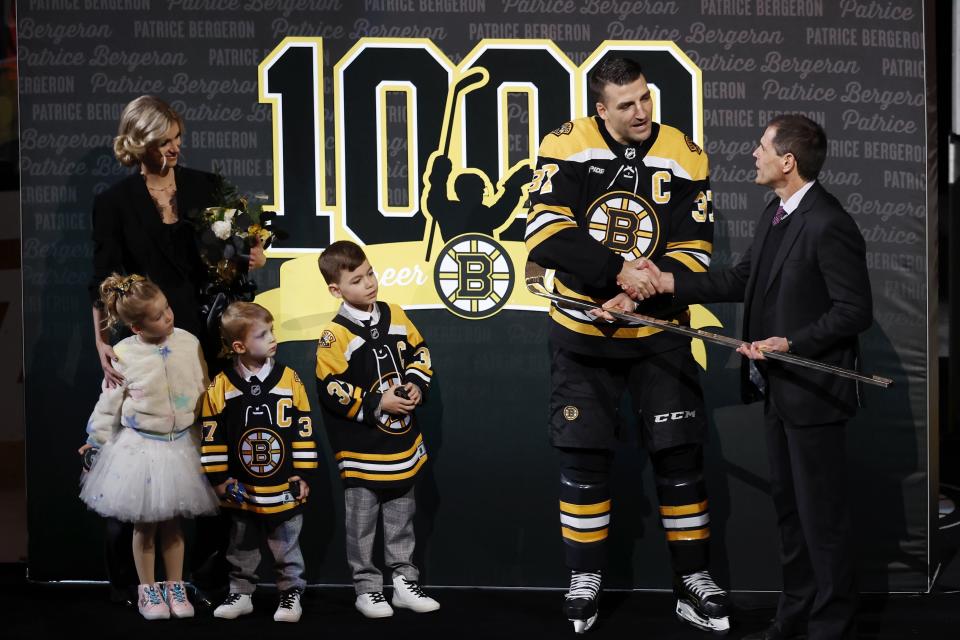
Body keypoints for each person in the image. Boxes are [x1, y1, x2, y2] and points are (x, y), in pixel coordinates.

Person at [617, 114, 872, 640]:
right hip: (778, 392)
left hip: (814, 395)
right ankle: (795, 614)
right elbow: (739, 278)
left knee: (821, 520)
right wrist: (663, 280)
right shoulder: (775, 214)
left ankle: (831, 624)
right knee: (790, 515)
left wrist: (791, 343)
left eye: (761, 148)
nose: (752, 155)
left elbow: (853, 311)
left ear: (787, 161)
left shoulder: (829, 222)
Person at [524, 57, 729, 634]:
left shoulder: (686, 152)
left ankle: (693, 579)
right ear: (601, 109)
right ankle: (584, 577)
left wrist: (637, 296)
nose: (640, 112)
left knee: (680, 457)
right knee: (583, 458)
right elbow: (545, 231)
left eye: (645, 98)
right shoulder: (566, 144)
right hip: (583, 336)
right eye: (625, 104)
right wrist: (621, 273)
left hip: (660, 333)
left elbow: (695, 249)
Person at [88, 94, 264, 601]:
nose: (174, 149)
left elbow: (239, 253)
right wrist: (102, 341)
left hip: (206, 338)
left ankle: (207, 578)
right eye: (164, 143)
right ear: (138, 143)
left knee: (209, 456)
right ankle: (140, 585)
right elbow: (103, 281)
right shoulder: (114, 203)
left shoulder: (207, 188)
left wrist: (252, 254)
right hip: (144, 342)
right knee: (142, 466)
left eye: (177, 140)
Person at [79, 273, 220, 621]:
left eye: (167, 309)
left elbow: (202, 386)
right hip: (142, 449)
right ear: (137, 327)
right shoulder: (124, 354)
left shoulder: (188, 341)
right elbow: (109, 402)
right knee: (145, 524)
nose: (168, 317)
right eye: (157, 316)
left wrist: (207, 428)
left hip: (181, 446)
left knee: (173, 524)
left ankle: (175, 585)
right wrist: (94, 440)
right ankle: (148, 589)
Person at [315, 240, 440, 619]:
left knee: (402, 515)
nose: (369, 283)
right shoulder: (333, 336)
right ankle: (367, 587)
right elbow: (330, 387)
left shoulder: (396, 314)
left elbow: (420, 352)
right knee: (362, 522)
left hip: (401, 441)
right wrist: (376, 403)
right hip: (361, 447)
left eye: (370, 273)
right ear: (336, 289)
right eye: (357, 279)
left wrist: (417, 382)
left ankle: (403, 580)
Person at [199, 302, 318, 623]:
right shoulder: (220, 386)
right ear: (239, 346)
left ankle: (290, 593)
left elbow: (303, 429)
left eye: (272, 331)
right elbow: (212, 437)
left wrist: (303, 474)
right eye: (263, 334)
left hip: (283, 486)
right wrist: (220, 480)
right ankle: (241, 591)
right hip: (242, 487)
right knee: (241, 544)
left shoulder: (290, 380)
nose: (273, 339)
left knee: (286, 545)